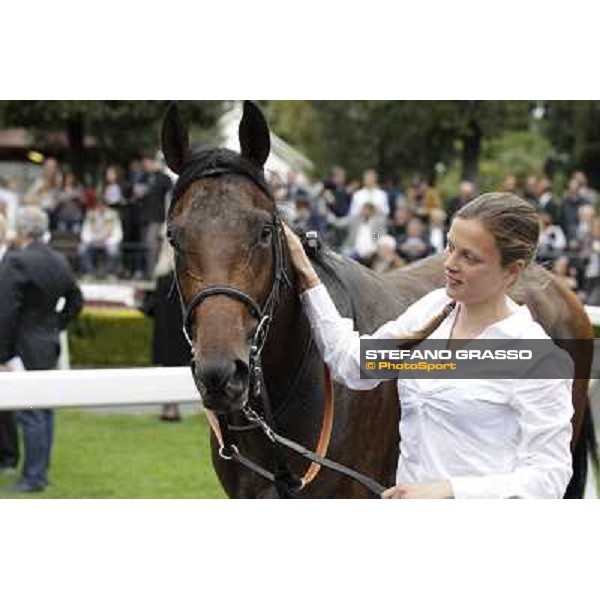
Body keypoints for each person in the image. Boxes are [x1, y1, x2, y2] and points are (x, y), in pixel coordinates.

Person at [283, 192, 573, 499]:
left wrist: (449, 491)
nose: (449, 263)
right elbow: (353, 364)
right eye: (450, 247)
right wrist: (307, 276)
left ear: (512, 271)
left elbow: (549, 477)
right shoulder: (434, 308)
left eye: (469, 257)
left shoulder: (536, 356)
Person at [0, 206, 83, 492]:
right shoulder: (59, 259)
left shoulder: (16, 260)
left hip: (22, 347)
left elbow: (5, 313)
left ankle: (34, 477)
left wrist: (2, 355)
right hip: (47, 343)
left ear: (21, 230)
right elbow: (76, 300)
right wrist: (55, 326)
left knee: (31, 412)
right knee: (44, 410)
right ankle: (39, 471)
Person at [140, 225, 190, 422]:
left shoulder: (163, 278)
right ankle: (173, 408)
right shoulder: (188, 277)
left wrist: (140, 303)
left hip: (165, 333)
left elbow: (151, 308)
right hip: (183, 332)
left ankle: (170, 409)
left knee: (168, 369)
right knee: (177, 369)